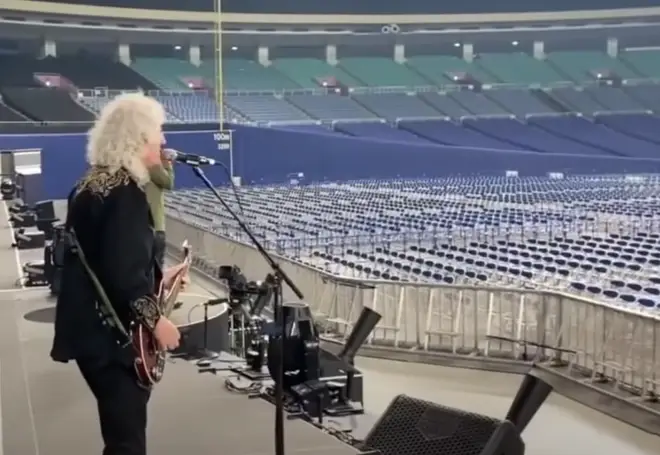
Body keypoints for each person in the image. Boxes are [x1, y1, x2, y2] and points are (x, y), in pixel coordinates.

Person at [51, 92, 186, 455]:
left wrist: (161, 276)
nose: (164, 140)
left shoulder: (90, 184)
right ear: (139, 137)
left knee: (122, 435)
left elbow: (108, 260)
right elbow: (124, 276)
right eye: (159, 131)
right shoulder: (125, 193)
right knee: (127, 442)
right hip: (109, 340)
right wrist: (158, 322)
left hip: (89, 332)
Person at [146, 147, 174, 270]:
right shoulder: (151, 164)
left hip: (144, 227)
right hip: (155, 227)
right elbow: (168, 182)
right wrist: (167, 163)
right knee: (156, 270)